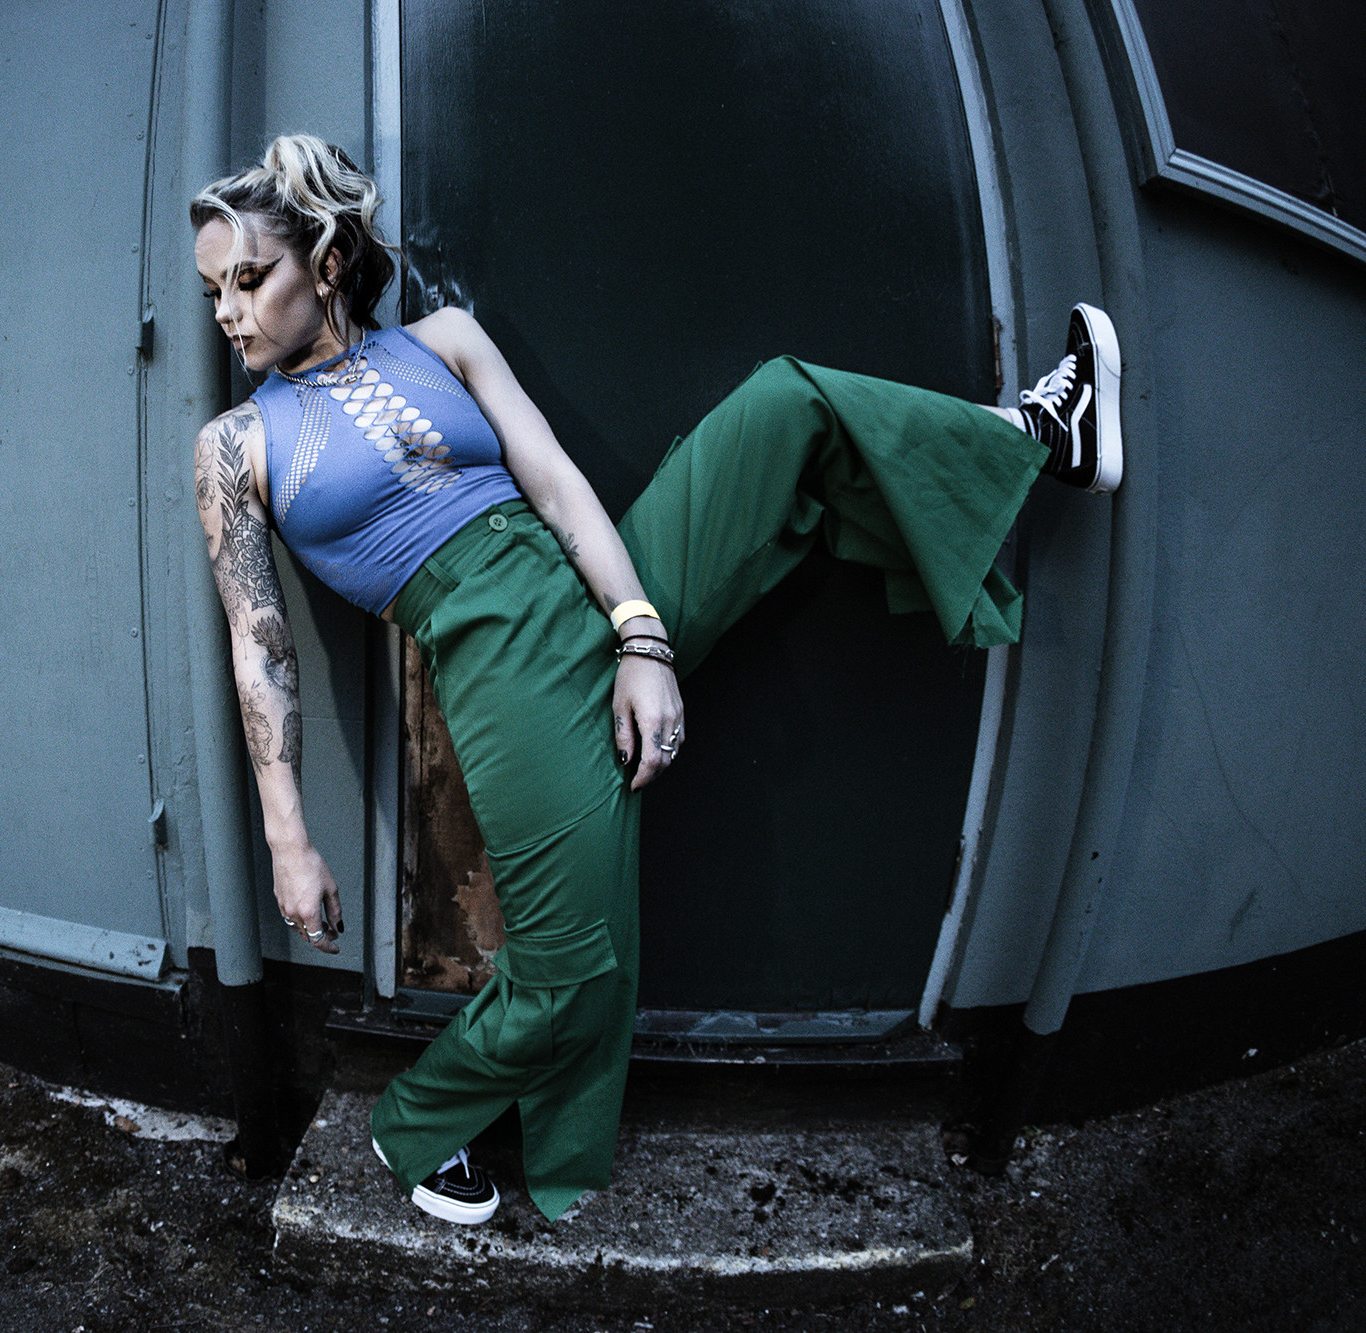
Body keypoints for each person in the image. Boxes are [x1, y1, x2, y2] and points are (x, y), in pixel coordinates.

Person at [190, 134, 1120, 1228]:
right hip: (498, 664)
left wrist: (640, 639)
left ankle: (1029, 434)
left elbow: (555, 485)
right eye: (213, 292)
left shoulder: (440, 340)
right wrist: (286, 839)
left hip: (599, 584)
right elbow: (260, 646)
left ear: (329, 261)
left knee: (783, 406)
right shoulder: (232, 446)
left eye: (249, 278)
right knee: (570, 969)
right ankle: (412, 1121)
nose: (227, 313)